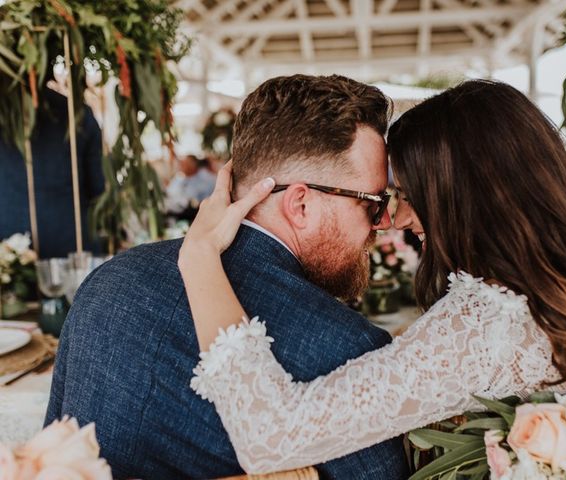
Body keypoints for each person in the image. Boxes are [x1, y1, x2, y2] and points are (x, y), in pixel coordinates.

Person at [178, 79, 566, 474]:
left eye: (406, 195)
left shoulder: (487, 325)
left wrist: (199, 258)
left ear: (460, 195)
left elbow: (271, 438)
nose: (394, 220)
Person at [45, 74, 409, 479]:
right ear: (300, 205)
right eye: (373, 203)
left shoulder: (105, 283)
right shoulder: (348, 348)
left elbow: (49, 454)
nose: (381, 224)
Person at [0, 87, 104, 258]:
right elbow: (98, 188)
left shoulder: (76, 113)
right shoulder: (76, 112)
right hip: (73, 250)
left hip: (11, 258)